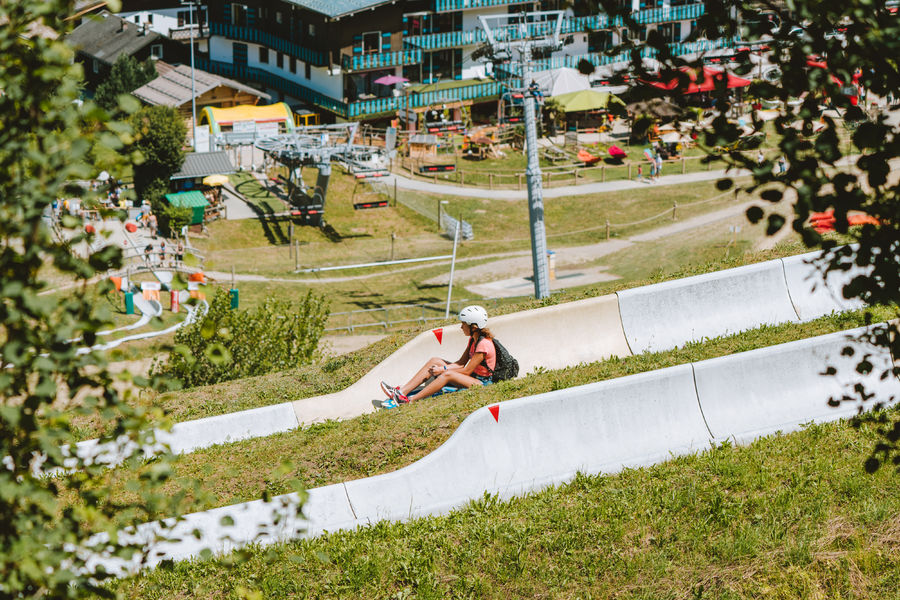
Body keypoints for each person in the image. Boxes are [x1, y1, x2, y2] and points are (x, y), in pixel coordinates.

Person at [380, 305, 496, 408]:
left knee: (447, 374)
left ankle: (409, 401)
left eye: (463, 324)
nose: (461, 327)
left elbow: (466, 371)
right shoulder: (473, 340)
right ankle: (401, 392)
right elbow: (461, 363)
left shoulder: (483, 345)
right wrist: (442, 367)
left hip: (482, 383)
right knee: (435, 361)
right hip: (472, 376)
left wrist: (443, 369)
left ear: (474, 327)